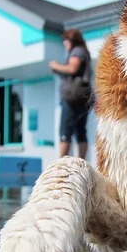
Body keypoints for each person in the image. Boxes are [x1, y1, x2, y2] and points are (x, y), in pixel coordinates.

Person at [49, 29, 93, 159]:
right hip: (82, 97)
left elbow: (73, 68)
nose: (64, 43)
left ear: (72, 41)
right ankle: (81, 161)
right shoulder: (83, 51)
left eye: (66, 40)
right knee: (81, 131)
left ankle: (61, 164)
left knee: (65, 131)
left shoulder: (77, 52)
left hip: (72, 97)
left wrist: (56, 66)